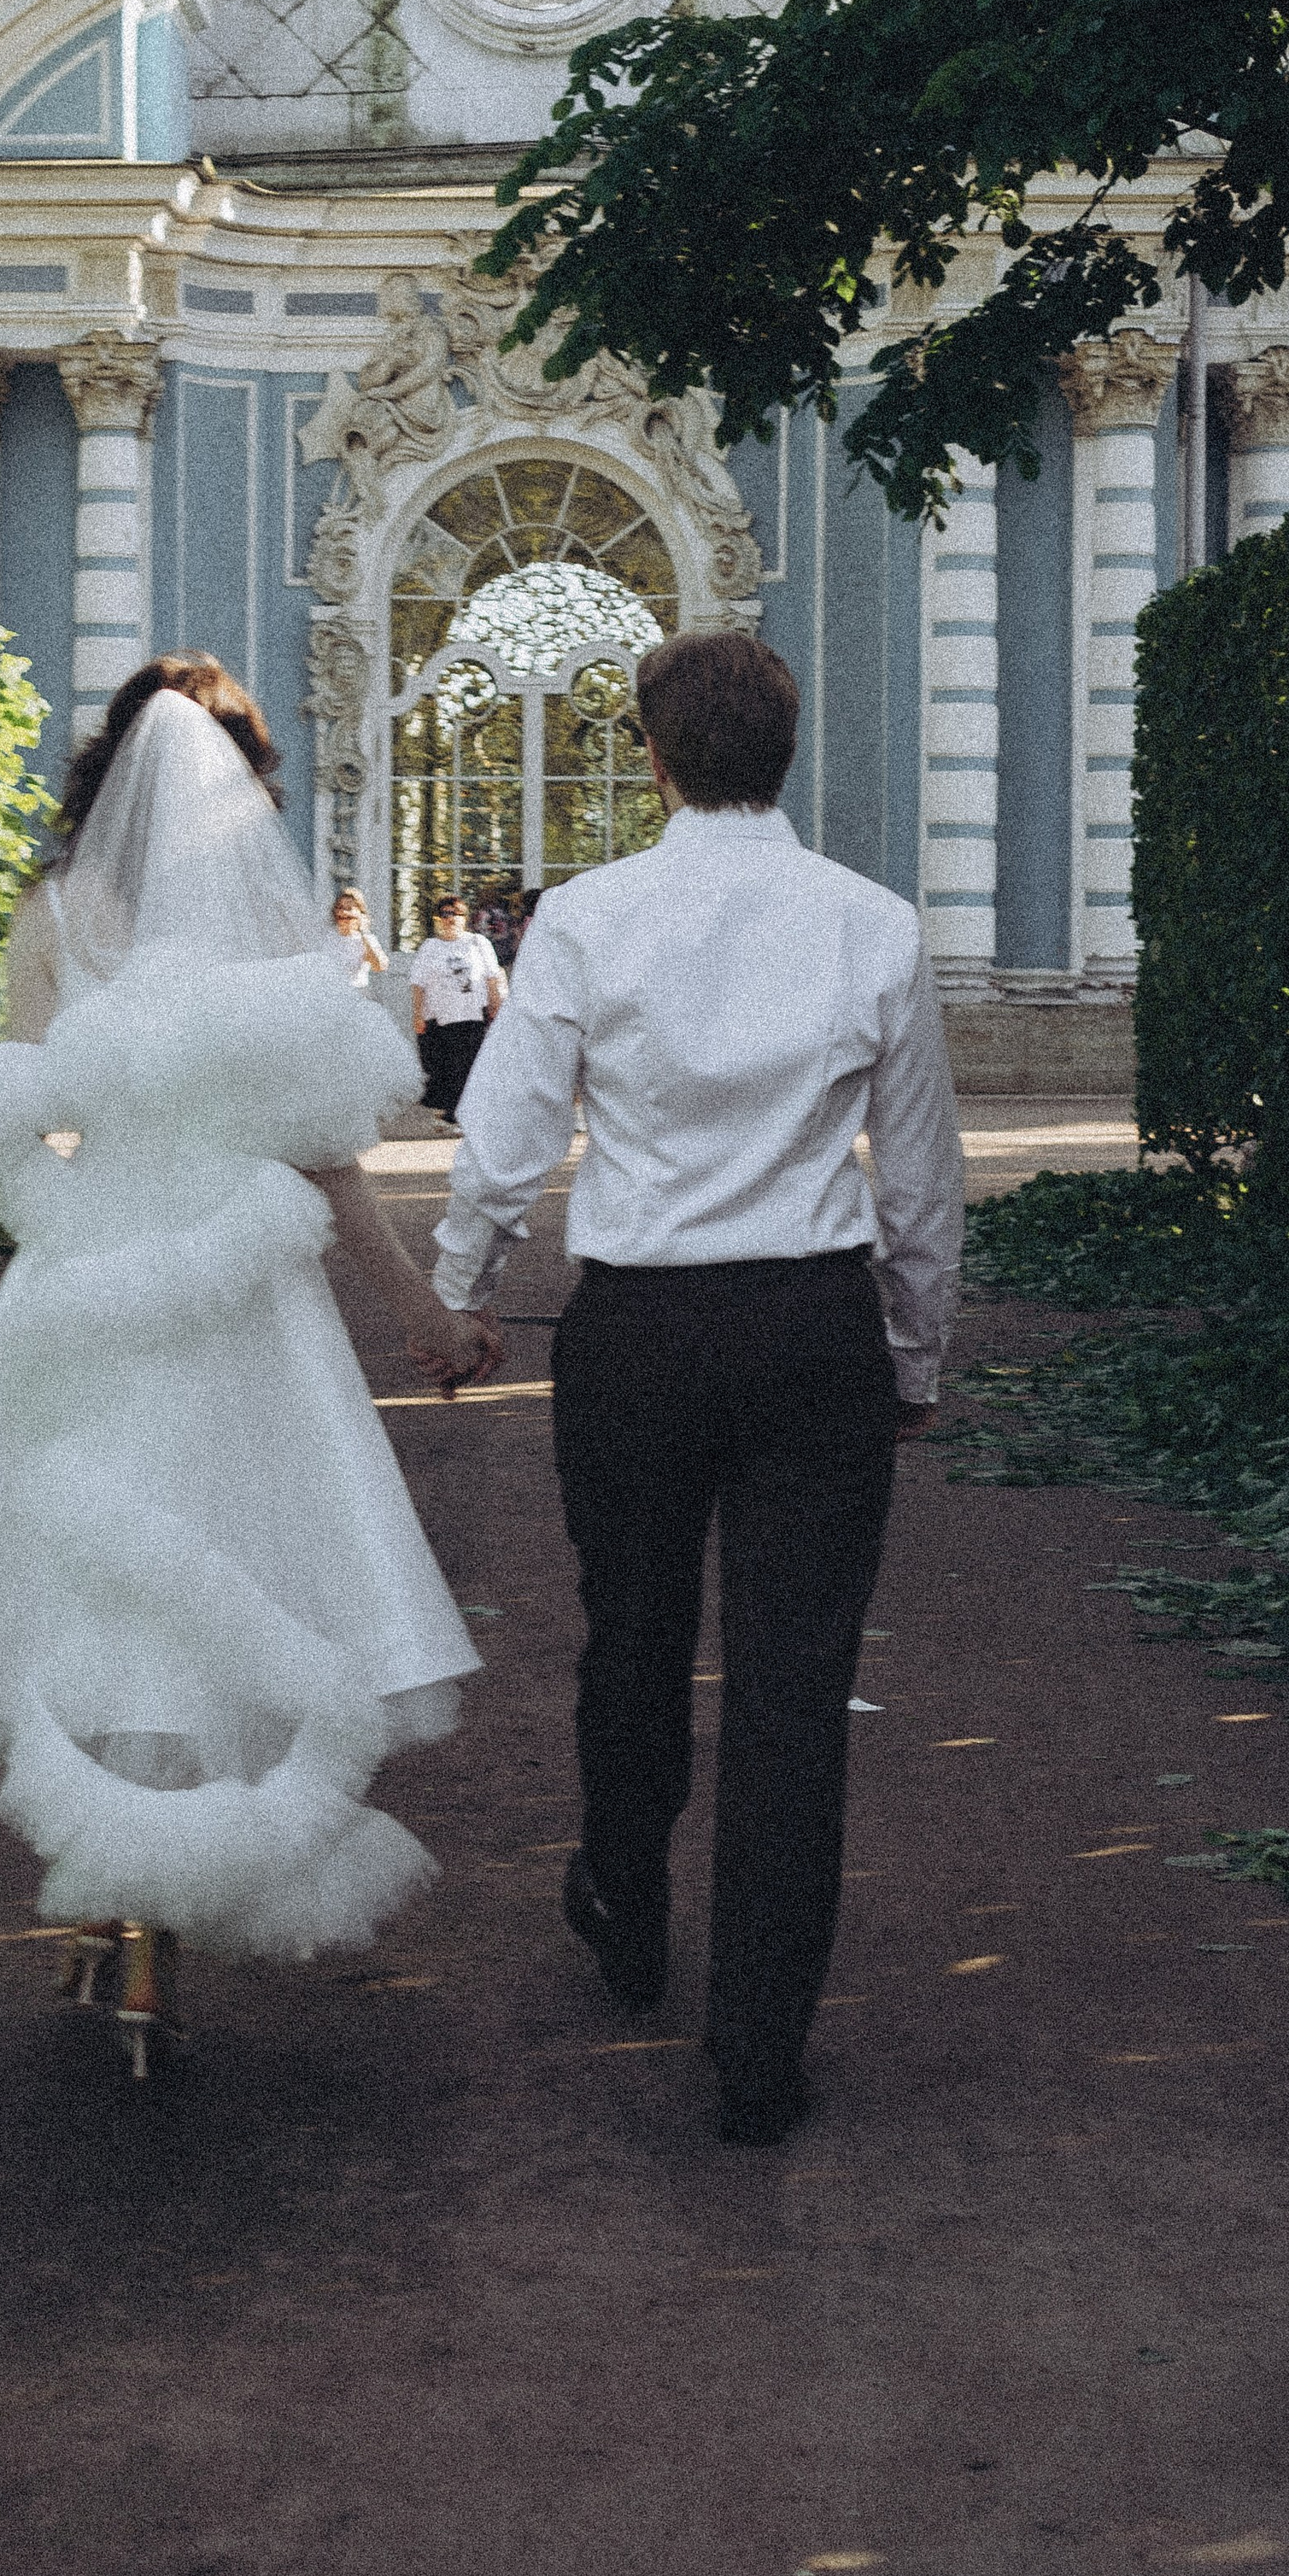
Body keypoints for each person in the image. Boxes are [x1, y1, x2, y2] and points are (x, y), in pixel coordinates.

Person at [0, 656, 498, 2079]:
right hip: (240, 1303)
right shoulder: (274, 936)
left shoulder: (57, 920)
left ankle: (127, 1910)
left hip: (86, 1294)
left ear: (103, 775)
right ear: (242, 787)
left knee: (104, 1590)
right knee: (227, 1579)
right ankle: (152, 1906)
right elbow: (326, 1159)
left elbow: (10, 1130)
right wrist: (419, 1314)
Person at [430, 631, 964, 2147]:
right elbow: (921, 1175)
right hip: (812, 1330)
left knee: (636, 1636)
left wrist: (462, 1292)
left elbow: (511, 1130)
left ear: (654, 761)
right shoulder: (875, 925)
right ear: (784, 758)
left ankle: (622, 1892)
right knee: (795, 1691)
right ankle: (759, 2050)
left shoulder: (590, 922)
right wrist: (914, 1351)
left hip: (639, 1338)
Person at [410, 895, 505, 1123]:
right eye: (445, 914)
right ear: (438, 919)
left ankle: (464, 1115)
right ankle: (449, 1114)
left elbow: (492, 977)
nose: (450, 919)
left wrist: (495, 1004)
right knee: (443, 1067)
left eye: (456, 914)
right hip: (440, 1017)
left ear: (465, 918)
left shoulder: (477, 943)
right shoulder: (430, 947)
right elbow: (417, 984)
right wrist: (417, 1014)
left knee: (469, 1066)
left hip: (472, 1014)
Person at [328, 886, 389, 987]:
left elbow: (380, 966)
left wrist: (364, 932)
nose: (344, 913)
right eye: (340, 908)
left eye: (349, 909)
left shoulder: (365, 939)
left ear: (360, 912)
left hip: (355, 994)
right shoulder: (328, 937)